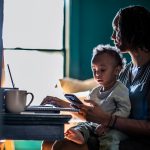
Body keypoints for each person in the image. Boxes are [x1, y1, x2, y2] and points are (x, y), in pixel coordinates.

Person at [41, 5, 150, 150]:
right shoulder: (124, 72)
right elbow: (98, 115)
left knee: (64, 146)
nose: (112, 36)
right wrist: (65, 105)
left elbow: (107, 118)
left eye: (117, 30)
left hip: (138, 140)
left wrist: (108, 120)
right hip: (113, 130)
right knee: (49, 142)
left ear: (133, 30)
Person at [64, 44, 130, 150]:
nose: (97, 74)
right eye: (94, 70)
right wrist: (83, 108)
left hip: (115, 127)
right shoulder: (94, 91)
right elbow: (91, 112)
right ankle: (80, 136)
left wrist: (108, 124)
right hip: (96, 124)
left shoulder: (120, 90)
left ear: (116, 70)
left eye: (102, 70)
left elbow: (125, 110)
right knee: (83, 126)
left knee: (111, 137)